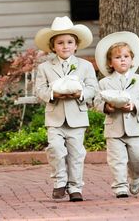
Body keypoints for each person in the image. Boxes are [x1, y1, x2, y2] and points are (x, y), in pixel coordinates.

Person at [34, 16, 98, 202]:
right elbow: (40, 90)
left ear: (76, 45)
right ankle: (59, 182)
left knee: (76, 153)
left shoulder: (85, 66)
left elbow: (93, 88)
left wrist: (80, 94)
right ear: (53, 47)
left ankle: (75, 187)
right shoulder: (45, 67)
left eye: (69, 42)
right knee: (55, 149)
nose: (65, 46)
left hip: (77, 117)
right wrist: (54, 95)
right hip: (55, 117)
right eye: (60, 43)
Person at [94, 31, 139, 198]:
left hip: (135, 126)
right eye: (118, 57)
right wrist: (107, 107)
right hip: (114, 128)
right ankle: (120, 186)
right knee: (116, 160)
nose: (123, 60)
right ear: (111, 63)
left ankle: (136, 177)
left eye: (126, 56)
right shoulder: (104, 83)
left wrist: (134, 106)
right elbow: (97, 102)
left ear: (132, 60)